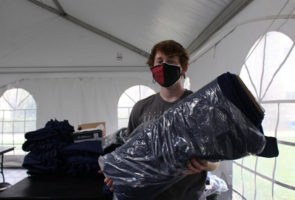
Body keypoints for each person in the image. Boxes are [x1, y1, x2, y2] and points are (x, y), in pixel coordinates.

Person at [100, 40, 220, 200]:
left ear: (183, 68)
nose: (164, 66)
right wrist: (118, 174)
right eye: (160, 61)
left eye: (171, 61)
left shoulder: (200, 105)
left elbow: (217, 160)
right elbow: (131, 156)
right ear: (152, 69)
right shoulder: (141, 108)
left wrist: (206, 164)